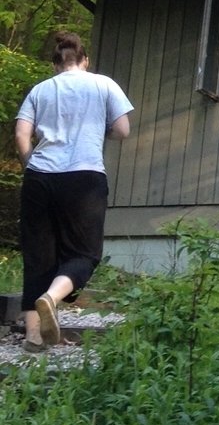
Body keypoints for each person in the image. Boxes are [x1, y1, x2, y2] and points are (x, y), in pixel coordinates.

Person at [14, 31, 132, 354]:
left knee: (38, 255)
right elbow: (123, 130)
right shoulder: (104, 84)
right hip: (85, 177)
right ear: (85, 60)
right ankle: (51, 299)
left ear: (55, 64)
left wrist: (30, 164)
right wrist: (100, 129)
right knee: (84, 254)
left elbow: (22, 134)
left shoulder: (40, 90)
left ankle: (34, 337)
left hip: (40, 178)